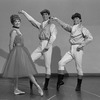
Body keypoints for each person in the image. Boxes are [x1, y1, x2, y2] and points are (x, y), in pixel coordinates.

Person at [2, 14, 43, 96]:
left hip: (21, 51)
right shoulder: (14, 31)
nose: (17, 22)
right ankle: (38, 87)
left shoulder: (18, 30)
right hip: (17, 52)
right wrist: (12, 56)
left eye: (18, 21)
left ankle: (16, 89)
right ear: (12, 23)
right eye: (15, 21)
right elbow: (10, 45)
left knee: (17, 72)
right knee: (28, 71)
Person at [52, 13, 93, 91]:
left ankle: (78, 86)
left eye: (77, 18)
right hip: (71, 49)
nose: (75, 19)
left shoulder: (82, 28)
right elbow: (64, 25)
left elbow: (90, 38)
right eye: (74, 18)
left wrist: (82, 44)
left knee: (78, 68)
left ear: (80, 19)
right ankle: (60, 81)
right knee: (61, 63)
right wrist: (57, 19)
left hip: (78, 49)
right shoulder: (72, 28)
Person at [18, 9, 57, 90]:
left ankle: (46, 84)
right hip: (41, 44)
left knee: (47, 65)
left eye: (46, 14)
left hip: (47, 45)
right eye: (43, 14)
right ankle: (33, 80)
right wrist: (24, 12)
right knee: (30, 60)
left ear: (49, 15)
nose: (44, 15)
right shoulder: (41, 25)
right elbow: (31, 20)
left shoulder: (52, 25)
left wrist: (48, 45)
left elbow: (53, 36)